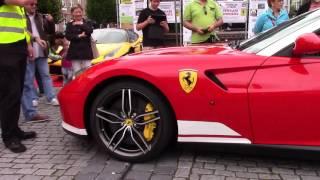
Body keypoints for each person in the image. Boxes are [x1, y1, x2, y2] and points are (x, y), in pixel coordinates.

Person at [0, 0, 37, 153]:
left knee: (17, 93)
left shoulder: (18, 6)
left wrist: (28, 45)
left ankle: (15, 130)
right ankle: (8, 137)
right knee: (10, 94)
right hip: (4, 48)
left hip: (19, 47)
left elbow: (21, 26)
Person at [24, 0, 59, 107]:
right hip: (28, 51)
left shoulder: (41, 17)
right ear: (25, 5)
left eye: (35, 5)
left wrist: (51, 21)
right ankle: (33, 98)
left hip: (42, 51)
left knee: (46, 75)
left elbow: (51, 31)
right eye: (31, 4)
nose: (34, 6)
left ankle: (51, 97)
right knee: (30, 77)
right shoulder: (21, 17)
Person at [65, 4, 93, 75]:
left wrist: (81, 24)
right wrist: (79, 36)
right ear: (72, 13)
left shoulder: (87, 22)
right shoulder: (69, 24)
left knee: (88, 72)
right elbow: (68, 36)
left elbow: (90, 31)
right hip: (75, 53)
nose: (78, 14)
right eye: (76, 12)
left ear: (82, 12)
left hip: (86, 52)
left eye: (80, 12)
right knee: (77, 73)